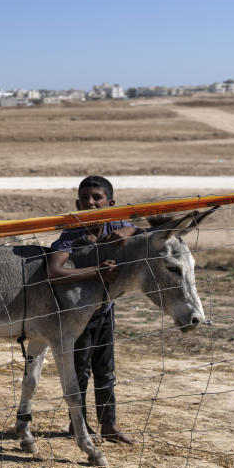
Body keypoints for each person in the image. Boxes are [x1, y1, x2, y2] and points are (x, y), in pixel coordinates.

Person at [46, 175, 139, 445]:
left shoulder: (118, 223)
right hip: (79, 311)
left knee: (106, 367)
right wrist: (97, 272)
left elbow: (144, 232)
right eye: (85, 198)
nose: (91, 203)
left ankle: (109, 424)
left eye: (97, 198)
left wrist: (129, 232)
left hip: (106, 308)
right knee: (80, 367)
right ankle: (80, 424)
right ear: (77, 202)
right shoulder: (73, 233)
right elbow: (53, 271)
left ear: (111, 203)